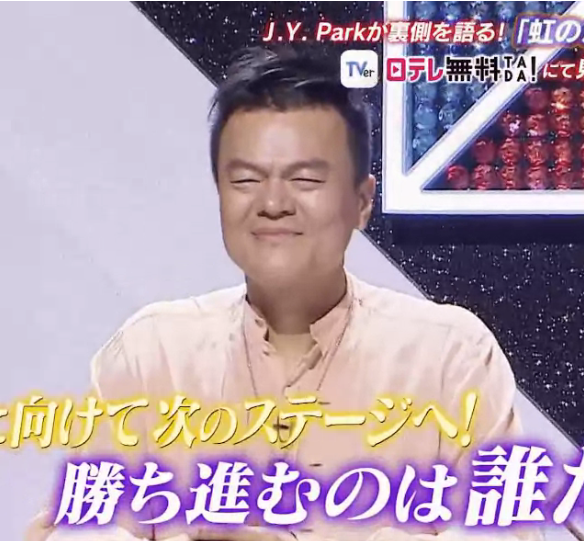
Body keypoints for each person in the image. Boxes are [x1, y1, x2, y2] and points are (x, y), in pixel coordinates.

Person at [28, 46, 541, 541]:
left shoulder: (452, 357)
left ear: (362, 202)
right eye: (245, 180)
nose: (273, 203)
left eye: (306, 179)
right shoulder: (151, 354)